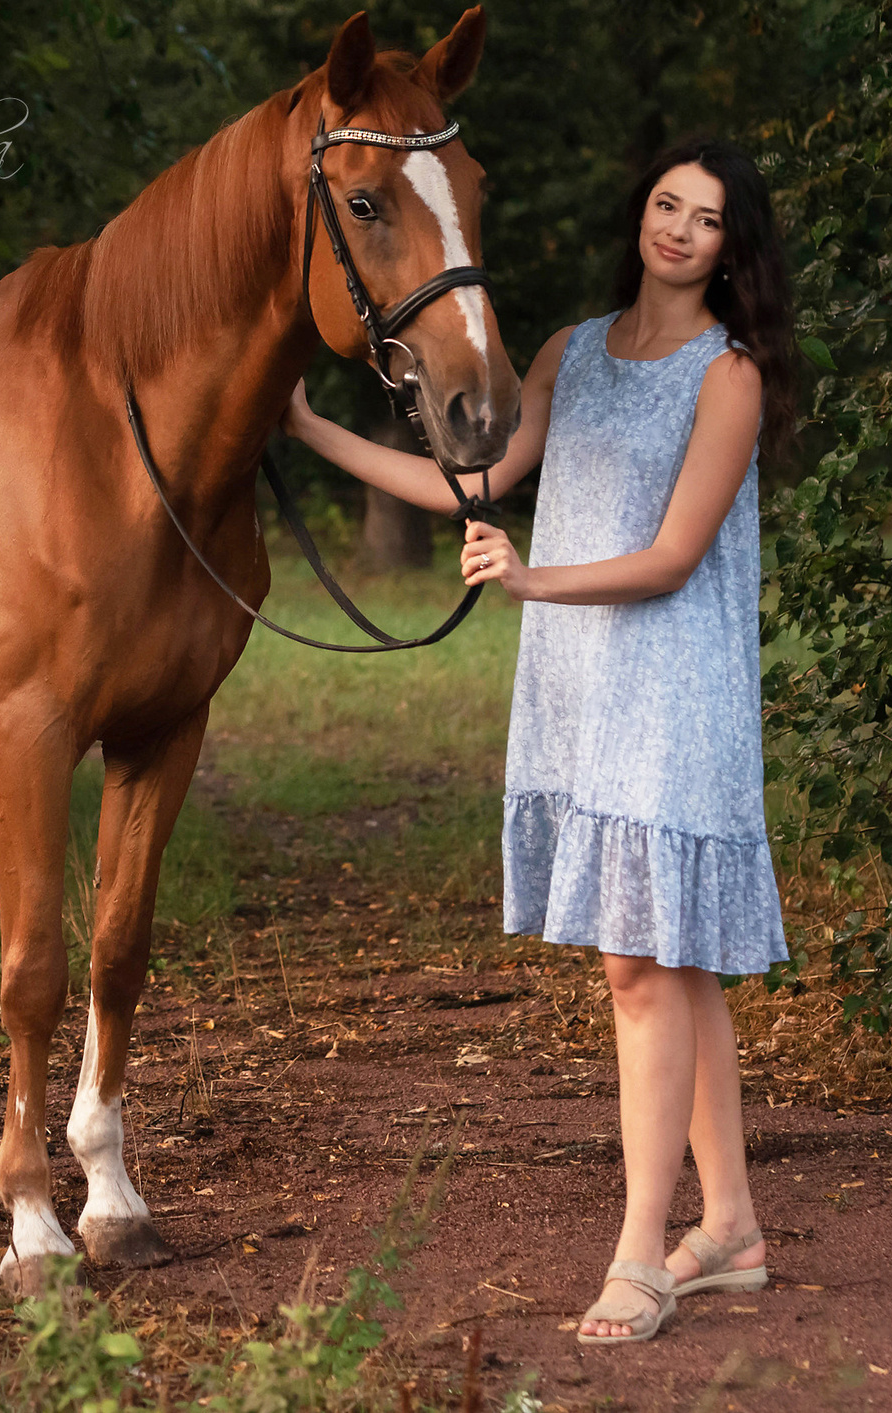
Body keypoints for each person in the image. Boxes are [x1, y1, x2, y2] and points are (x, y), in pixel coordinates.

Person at [281, 135, 798, 1344]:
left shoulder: (729, 375)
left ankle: (641, 1255)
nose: (677, 229)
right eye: (666, 204)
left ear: (732, 247)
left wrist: (528, 581)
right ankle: (731, 1226)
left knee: (640, 970)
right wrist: (305, 431)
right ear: (641, 214)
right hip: (582, 688)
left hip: (672, 692)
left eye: (706, 218)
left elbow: (671, 558)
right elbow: (476, 483)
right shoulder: (573, 348)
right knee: (675, 965)